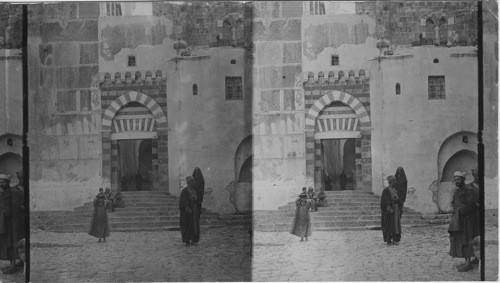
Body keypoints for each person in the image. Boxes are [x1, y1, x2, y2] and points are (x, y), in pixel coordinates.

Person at [448, 171, 478, 272]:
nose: (457, 181)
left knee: (467, 240)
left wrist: (459, 211)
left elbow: (470, 206)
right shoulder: (457, 191)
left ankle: (468, 263)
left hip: (467, 220)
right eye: (455, 179)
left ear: (463, 179)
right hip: (459, 220)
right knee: (461, 240)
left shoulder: (469, 190)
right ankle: (466, 261)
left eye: (459, 179)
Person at [179, 176, 200, 246]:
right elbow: (184, 201)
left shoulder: (193, 190)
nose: (194, 183)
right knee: (188, 226)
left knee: (194, 225)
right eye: (192, 181)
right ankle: (187, 241)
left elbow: (196, 199)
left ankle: (194, 240)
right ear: (190, 182)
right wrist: (188, 209)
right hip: (188, 211)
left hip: (194, 209)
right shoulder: (185, 190)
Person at [380, 175, 401, 245]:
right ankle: (389, 240)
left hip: (396, 209)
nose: (395, 182)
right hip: (390, 210)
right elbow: (385, 201)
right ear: (391, 181)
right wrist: (389, 209)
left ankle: (395, 239)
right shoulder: (386, 190)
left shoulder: (394, 190)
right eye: (394, 180)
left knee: (396, 224)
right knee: (390, 225)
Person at [0, 174, 14, 274]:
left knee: (11, 243)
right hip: (4, 221)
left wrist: (5, 212)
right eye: (0, 182)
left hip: (11, 222)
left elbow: (13, 207)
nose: (1, 183)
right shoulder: (3, 192)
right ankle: (11, 263)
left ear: (8, 182)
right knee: (6, 242)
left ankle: (13, 265)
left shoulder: (12, 192)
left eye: (3, 182)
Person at [10, 172, 24, 270]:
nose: (21, 179)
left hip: (25, 218)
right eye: (19, 177)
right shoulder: (13, 189)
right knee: (16, 239)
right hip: (16, 218)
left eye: (23, 177)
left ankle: (23, 260)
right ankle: (15, 262)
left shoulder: (29, 188)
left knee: (24, 238)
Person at [468, 168, 480, 265]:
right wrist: (474, 204)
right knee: (475, 235)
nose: (476, 177)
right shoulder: (470, 187)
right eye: (475, 175)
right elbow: (467, 201)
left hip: (482, 214)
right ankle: (476, 257)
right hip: (474, 214)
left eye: (478, 175)